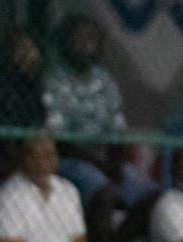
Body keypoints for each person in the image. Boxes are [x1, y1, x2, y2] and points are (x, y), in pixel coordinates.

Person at [44, 13, 127, 208]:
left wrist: (115, 166)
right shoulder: (56, 80)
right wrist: (102, 167)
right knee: (102, 191)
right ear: (66, 41)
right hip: (69, 161)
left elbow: (118, 131)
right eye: (79, 38)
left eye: (91, 38)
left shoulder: (105, 81)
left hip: (105, 161)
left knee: (148, 194)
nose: (86, 45)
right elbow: (61, 142)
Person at [0, 25, 44, 130]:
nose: (26, 55)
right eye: (21, 48)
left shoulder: (39, 81)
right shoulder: (0, 80)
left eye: (29, 48)